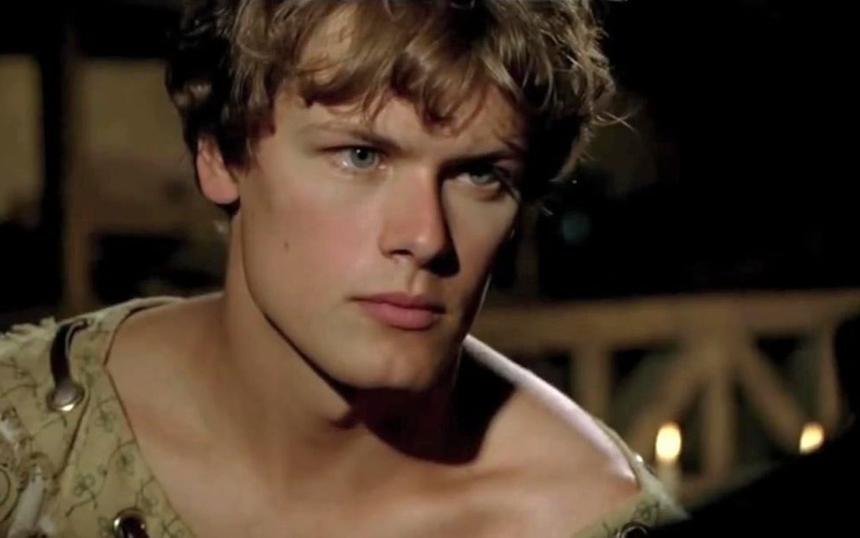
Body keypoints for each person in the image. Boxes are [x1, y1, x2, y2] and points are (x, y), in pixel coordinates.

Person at [0, 1, 683, 536]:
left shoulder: (584, 516)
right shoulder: (25, 432)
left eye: (479, 174)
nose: (425, 237)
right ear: (220, 154)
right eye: (361, 156)